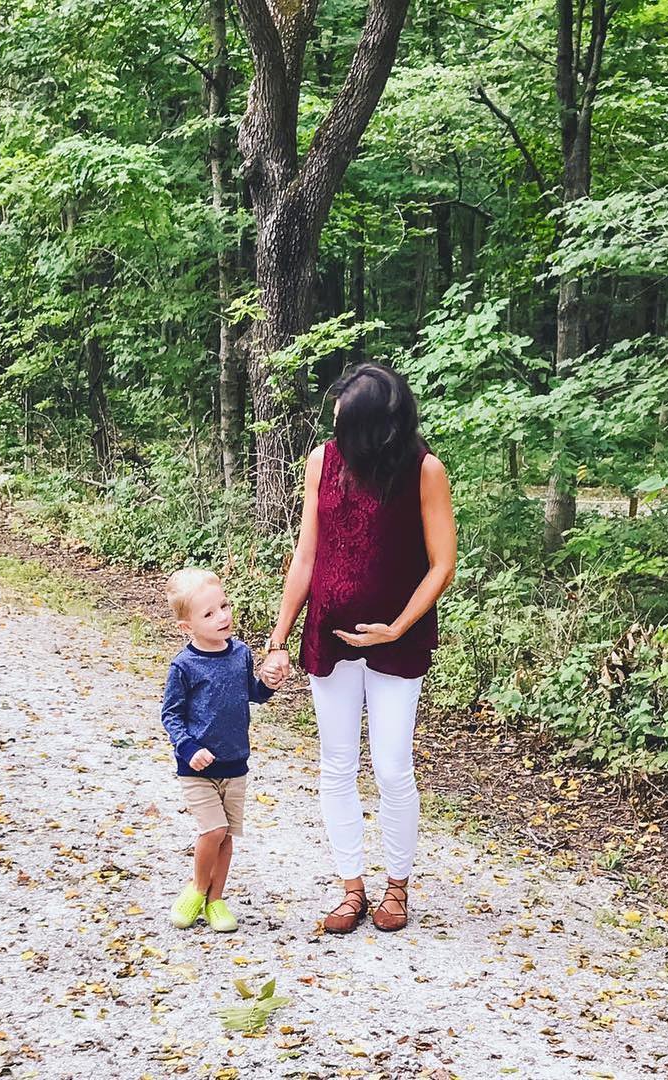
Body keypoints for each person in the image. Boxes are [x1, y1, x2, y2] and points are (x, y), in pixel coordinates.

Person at [260, 363, 456, 933]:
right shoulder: (323, 461)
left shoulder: (425, 471)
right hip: (329, 634)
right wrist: (278, 637)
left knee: (392, 767)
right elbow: (306, 555)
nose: (336, 430)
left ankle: (398, 886)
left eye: (347, 422)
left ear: (379, 428)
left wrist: (397, 627)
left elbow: (441, 563)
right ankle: (351, 887)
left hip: (397, 640)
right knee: (337, 765)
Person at [160, 567, 283, 932]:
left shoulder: (241, 654)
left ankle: (216, 900)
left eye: (224, 606)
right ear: (188, 627)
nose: (223, 617)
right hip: (197, 767)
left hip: (235, 764)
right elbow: (171, 714)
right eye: (209, 614)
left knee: (227, 835)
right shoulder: (184, 665)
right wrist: (188, 747)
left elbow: (252, 694)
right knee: (212, 830)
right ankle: (197, 889)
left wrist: (269, 682)